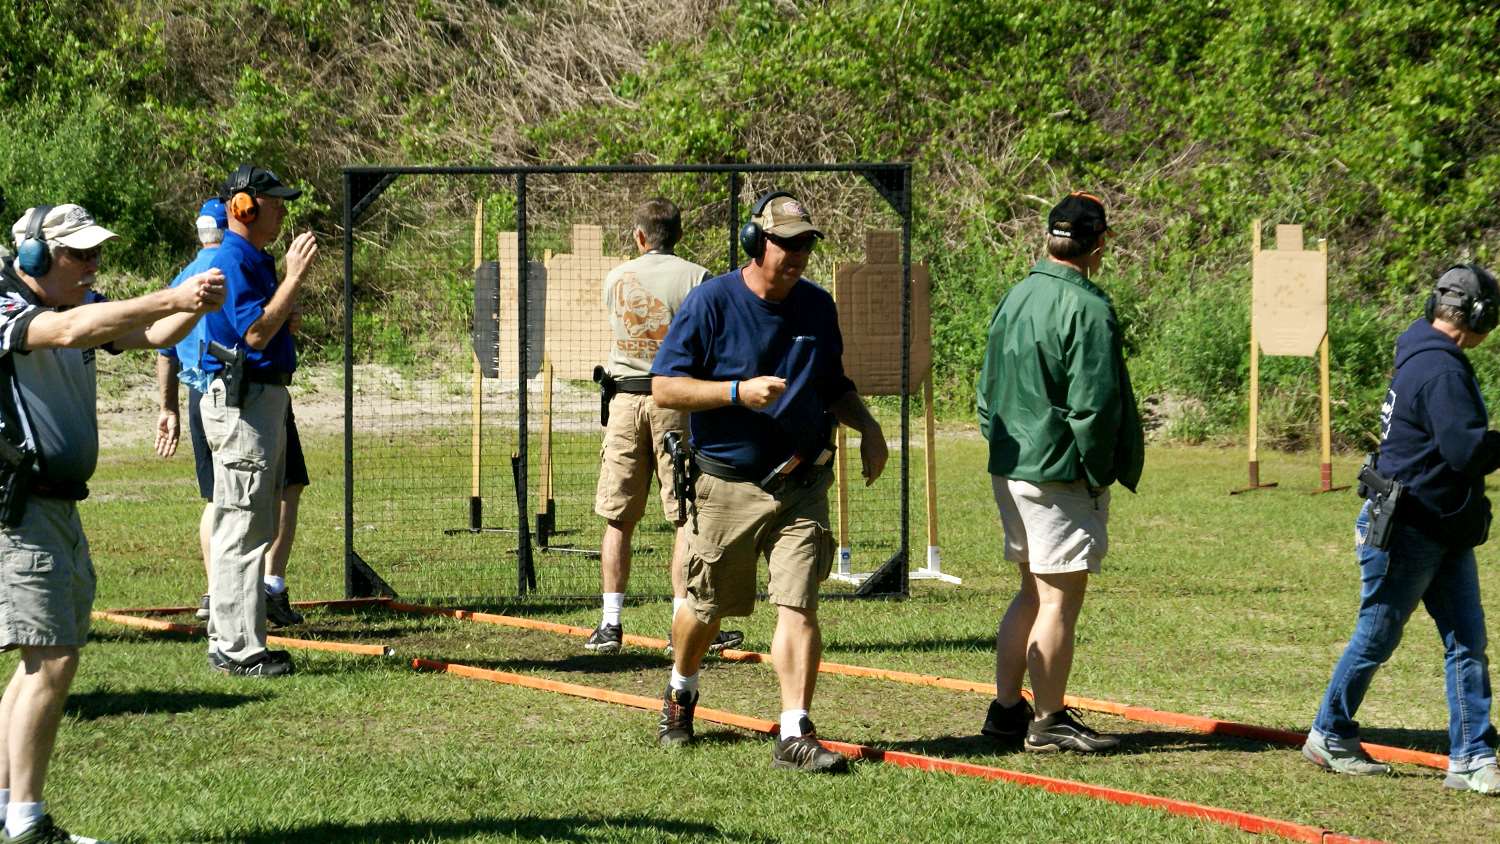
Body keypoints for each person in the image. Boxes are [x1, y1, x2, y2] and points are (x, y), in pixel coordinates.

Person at [0, 204, 224, 843]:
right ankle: (26, 822)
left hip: (57, 503)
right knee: (51, 659)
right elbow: (70, 331)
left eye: (97, 252)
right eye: (80, 254)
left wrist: (194, 307)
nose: (93, 264)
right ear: (37, 255)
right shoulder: (8, 307)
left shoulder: (78, 306)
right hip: (20, 508)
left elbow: (148, 337)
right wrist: (171, 293)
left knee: (39, 659)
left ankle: (5, 806)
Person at [650, 191, 887, 773]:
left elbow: (832, 383)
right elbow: (665, 387)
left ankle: (794, 731)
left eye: (806, 243)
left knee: (800, 603)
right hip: (725, 484)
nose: (798, 254)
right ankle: (681, 692)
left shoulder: (817, 306)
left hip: (801, 482)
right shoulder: (711, 303)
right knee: (706, 609)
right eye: (786, 243)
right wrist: (736, 393)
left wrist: (870, 427)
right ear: (756, 245)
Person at [1303, 264, 1500, 794]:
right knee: (1376, 636)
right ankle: (1330, 732)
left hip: (1440, 524)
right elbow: (1467, 450)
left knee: (1467, 641)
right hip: (1409, 527)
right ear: (1479, 317)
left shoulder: (1424, 353)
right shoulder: (1441, 370)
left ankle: (1473, 756)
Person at [975, 191, 1143, 753]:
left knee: (1030, 592)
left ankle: (1006, 712)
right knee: (1057, 601)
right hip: (1059, 472)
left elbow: (984, 392)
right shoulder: (1088, 307)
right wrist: (1097, 472)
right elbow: (1094, 406)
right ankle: (1047, 722)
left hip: (1014, 464)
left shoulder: (1017, 294)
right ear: (1100, 244)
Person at [585, 197, 742, 656]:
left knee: (618, 515)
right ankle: (683, 621)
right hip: (674, 398)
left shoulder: (615, 277)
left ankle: (610, 623)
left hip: (623, 401)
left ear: (639, 237)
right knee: (685, 513)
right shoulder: (696, 277)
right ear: (679, 233)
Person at [154, 199, 307, 628]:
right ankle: (264, 590)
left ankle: (215, 593)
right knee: (269, 495)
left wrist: (167, 406)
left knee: (219, 499)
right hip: (241, 397)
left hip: (203, 397)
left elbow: (165, 348)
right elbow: (255, 333)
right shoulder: (228, 269)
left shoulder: (188, 275)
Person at [197, 165, 318, 677]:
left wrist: (284, 297)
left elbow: (266, 324)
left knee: (255, 522)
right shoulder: (234, 258)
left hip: (261, 400)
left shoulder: (252, 259)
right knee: (241, 525)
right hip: (244, 403)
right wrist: (291, 279)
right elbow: (253, 336)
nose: (282, 209)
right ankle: (237, 648)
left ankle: (239, 640)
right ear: (242, 206)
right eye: (272, 201)